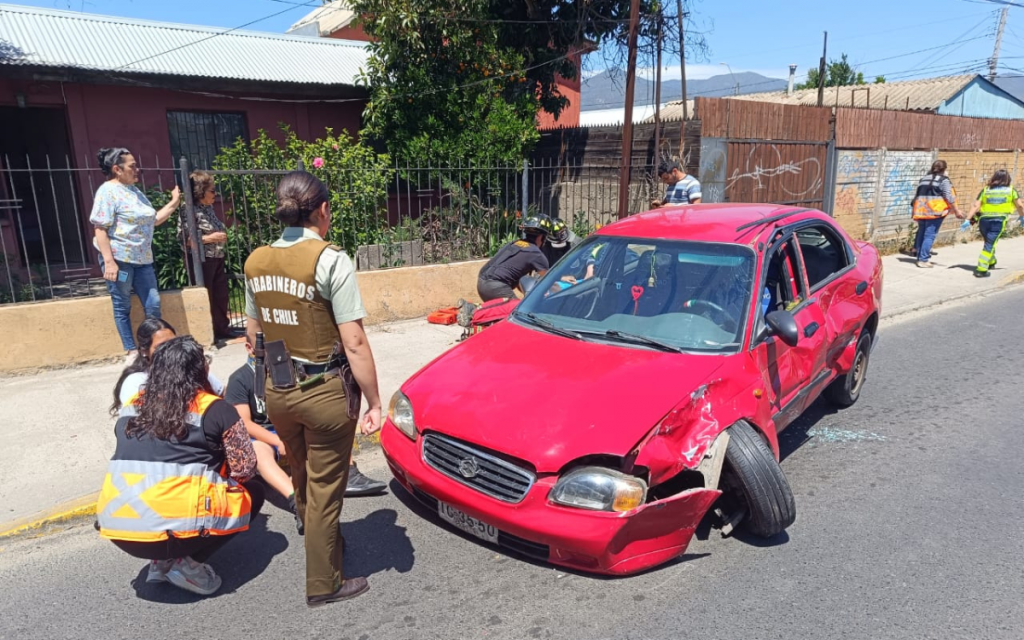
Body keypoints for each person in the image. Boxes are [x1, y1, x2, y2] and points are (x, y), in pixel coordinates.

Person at [243, 170, 382, 607]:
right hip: (323, 390)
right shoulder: (330, 259)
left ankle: (322, 540)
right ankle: (325, 583)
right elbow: (354, 340)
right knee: (326, 487)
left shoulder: (255, 260)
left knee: (301, 472)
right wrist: (375, 401)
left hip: (278, 388)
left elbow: (253, 332)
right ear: (322, 210)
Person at [96, 336, 262, 597]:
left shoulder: (131, 406)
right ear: (201, 370)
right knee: (254, 491)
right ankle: (188, 565)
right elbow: (245, 469)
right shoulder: (216, 409)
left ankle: (160, 563)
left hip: (119, 529)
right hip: (175, 532)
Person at [223, 335, 387, 535]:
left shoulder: (286, 370)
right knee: (259, 453)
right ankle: (297, 503)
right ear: (250, 348)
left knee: (329, 421)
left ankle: (349, 474)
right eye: (266, 347)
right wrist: (276, 440)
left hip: (288, 424)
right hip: (264, 434)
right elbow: (245, 423)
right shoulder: (240, 379)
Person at [90, 147, 181, 363]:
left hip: (143, 260)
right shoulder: (107, 191)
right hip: (120, 261)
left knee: (153, 304)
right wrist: (110, 262)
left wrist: (174, 202)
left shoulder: (135, 192)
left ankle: (153, 347)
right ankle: (131, 351)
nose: (137, 169)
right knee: (122, 304)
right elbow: (100, 228)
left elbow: (154, 220)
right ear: (117, 169)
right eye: (132, 166)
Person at [110, 317, 224, 415]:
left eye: (174, 343)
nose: (170, 350)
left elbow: (223, 393)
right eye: (161, 346)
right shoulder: (136, 381)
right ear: (144, 351)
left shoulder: (190, 368)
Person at [180, 171, 232, 341]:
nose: (215, 194)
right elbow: (184, 238)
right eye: (212, 191)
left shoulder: (208, 208)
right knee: (206, 296)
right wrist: (211, 238)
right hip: (202, 259)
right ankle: (208, 333)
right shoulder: (189, 209)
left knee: (220, 296)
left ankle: (222, 329)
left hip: (216, 257)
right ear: (200, 191)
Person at [476, 215, 552, 302]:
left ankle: (472, 309)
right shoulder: (536, 254)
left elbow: (517, 279)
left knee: (498, 311)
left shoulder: (514, 244)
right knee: (516, 313)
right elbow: (549, 280)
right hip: (496, 287)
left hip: (481, 282)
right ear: (541, 237)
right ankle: (471, 310)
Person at [966, 169, 1024, 278]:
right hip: (998, 220)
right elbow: (1020, 206)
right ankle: (981, 269)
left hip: (983, 220)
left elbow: (976, 206)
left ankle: (991, 261)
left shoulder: (986, 190)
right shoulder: (1011, 190)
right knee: (989, 244)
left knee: (988, 242)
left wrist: (967, 219)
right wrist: (1022, 216)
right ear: (1008, 179)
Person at [910, 160, 960, 269]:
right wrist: (956, 210)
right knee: (929, 235)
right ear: (944, 169)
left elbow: (917, 195)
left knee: (922, 233)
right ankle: (923, 259)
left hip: (921, 211)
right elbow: (949, 196)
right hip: (935, 212)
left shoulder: (924, 179)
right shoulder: (944, 180)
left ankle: (919, 256)